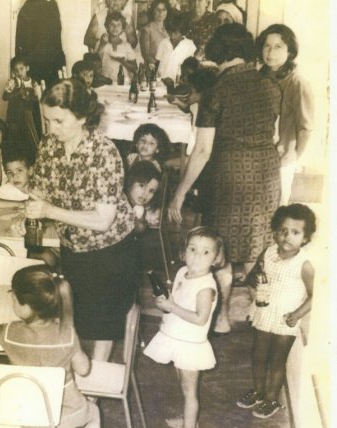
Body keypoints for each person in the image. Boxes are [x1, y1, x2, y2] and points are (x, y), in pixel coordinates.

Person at [169, 23, 282, 336]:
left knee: (223, 248)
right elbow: (273, 134)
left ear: (218, 52)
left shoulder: (216, 92)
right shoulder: (270, 85)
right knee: (259, 243)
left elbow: (202, 151)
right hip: (266, 173)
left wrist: (179, 193)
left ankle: (221, 318)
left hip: (231, 174)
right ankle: (258, 315)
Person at [25, 79, 137, 362]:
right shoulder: (50, 145)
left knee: (101, 327)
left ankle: (93, 397)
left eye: (59, 121)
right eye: (47, 120)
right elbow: (39, 187)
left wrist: (48, 211)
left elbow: (103, 220)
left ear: (83, 118)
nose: (51, 129)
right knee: (73, 320)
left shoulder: (104, 153)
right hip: (73, 248)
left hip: (109, 252)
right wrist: (30, 208)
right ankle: (81, 387)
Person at [0, 266, 101, 428]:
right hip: (62, 413)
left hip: (21, 413)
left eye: (13, 296)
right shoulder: (67, 335)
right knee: (94, 415)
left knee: (6, 401)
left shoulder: (10, 333)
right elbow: (83, 368)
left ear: (25, 306)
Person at [144, 226, 225, 428]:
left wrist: (172, 306)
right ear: (184, 251)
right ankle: (190, 420)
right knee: (184, 385)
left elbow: (200, 318)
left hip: (190, 344)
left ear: (216, 258)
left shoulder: (206, 287)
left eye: (206, 252)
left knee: (190, 391)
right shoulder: (182, 273)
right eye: (192, 249)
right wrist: (165, 305)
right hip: (177, 338)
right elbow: (177, 300)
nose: (197, 256)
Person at [237, 204, 316, 418]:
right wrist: (254, 289)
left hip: (286, 318)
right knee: (259, 354)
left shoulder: (304, 264)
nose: (286, 236)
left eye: (295, 232)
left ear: (306, 238)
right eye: (282, 230)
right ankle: (258, 391)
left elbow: (315, 295)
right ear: (274, 231)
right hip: (264, 313)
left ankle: (272, 398)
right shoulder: (269, 252)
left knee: (277, 360)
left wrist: (297, 315)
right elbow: (254, 276)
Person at [256, 24, 314, 205]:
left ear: (290, 52)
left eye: (278, 46)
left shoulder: (297, 83)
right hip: (256, 155)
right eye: (267, 45)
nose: (271, 51)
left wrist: (293, 155)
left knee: (275, 206)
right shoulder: (258, 78)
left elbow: (306, 127)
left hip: (281, 158)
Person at [15, 0, 66, 87]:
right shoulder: (27, 10)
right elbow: (20, 41)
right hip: (34, 62)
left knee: (52, 93)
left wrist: (61, 61)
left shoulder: (52, 6)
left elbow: (57, 37)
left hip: (51, 61)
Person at [2, 56, 43, 157]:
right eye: (15, 70)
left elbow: (38, 99)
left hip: (28, 115)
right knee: (14, 137)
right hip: (14, 115)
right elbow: (5, 96)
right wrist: (18, 93)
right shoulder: (12, 82)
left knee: (28, 139)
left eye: (21, 69)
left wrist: (30, 96)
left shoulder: (33, 83)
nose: (19, 72)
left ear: (27, 68)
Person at [96, 12, 138, 84]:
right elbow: (95, 65)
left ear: (122, 28)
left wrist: (123, 61)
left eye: (118, 25)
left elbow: (135, 68)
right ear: (107, 27)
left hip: (123, 82)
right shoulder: (101, 43)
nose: (115, 28)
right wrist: (102, 45)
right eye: (112, 25)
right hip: (104, 82)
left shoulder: (126, 46)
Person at [156, 12, 197, 85]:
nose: (171, 35)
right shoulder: (164, 43)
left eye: (175, 32)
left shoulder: (189, 45)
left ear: (182, 31)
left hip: (179, 83)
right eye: (169, 32)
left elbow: (192, 67)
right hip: (161, 82)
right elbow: (158, 62)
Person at [125, 160, 162, 231]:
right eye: (142, 185)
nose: (145, 194)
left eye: (151, 191)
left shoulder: (144, 209)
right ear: (131, 182)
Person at [139, 0, 171, 67]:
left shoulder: (170, 29)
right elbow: (146, 55)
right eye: (158, 9)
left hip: (169, 68)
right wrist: (159, 66)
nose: (160, 12)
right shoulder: (147, 30)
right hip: (153, 68)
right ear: (153, 11)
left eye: (164, 9)